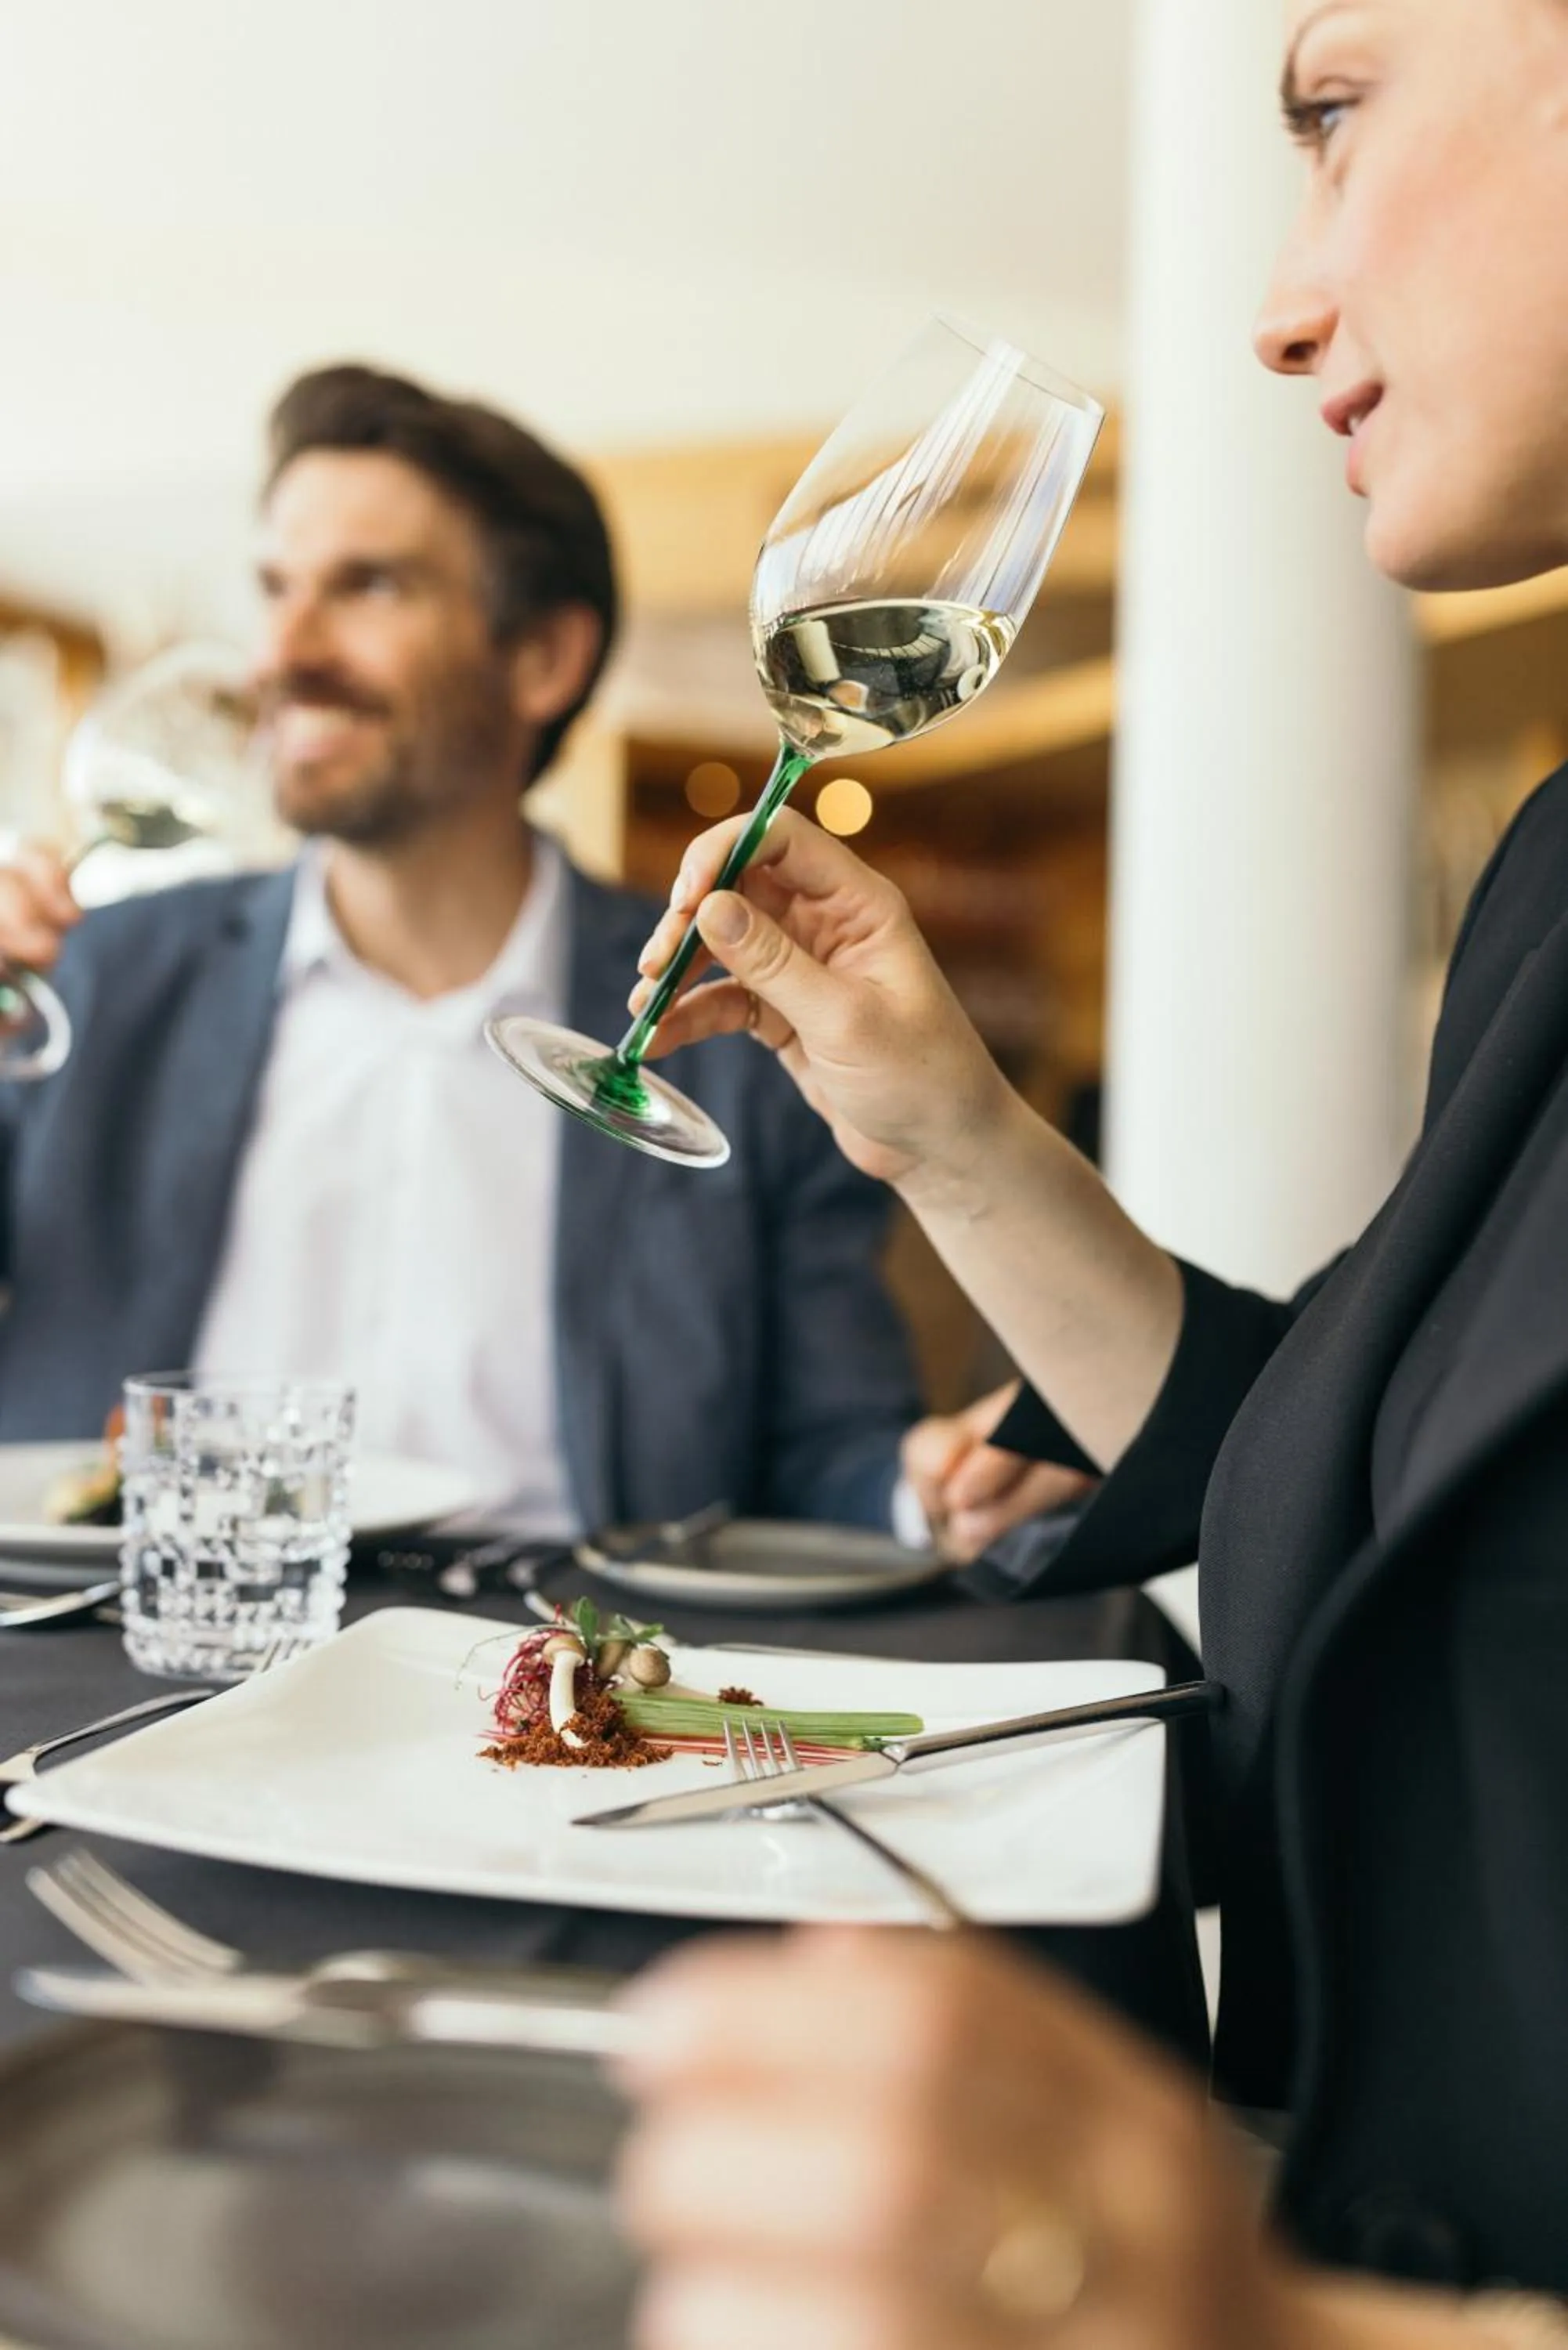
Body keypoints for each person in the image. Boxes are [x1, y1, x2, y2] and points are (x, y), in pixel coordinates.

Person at [615, 0, 1568, 2337]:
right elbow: (1352, 1491)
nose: (1270, 302)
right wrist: (943, 1127)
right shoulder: (1553, 873)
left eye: (1336, 112)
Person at [0, 363, 934, 1540]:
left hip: (551, 1685)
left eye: (367, 586)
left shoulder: (739, 1022)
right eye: (275, 588)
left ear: (541, 657)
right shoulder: (97, 977)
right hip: (138, 1664)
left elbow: (830, 1454)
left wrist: (928, 1487)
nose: (281, 651)